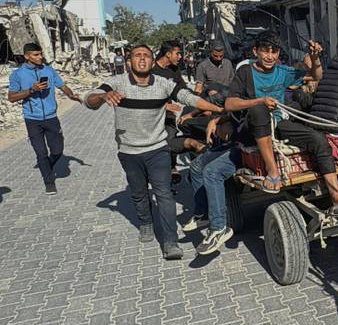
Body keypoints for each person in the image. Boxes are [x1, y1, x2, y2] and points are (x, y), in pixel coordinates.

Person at [83, 44, 223, 260]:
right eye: (137, 55)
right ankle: (146, 222)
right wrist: (102, 97)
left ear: (152, 60)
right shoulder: (116, 83)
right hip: (128, 151)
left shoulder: (163, 84)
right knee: (139, 193)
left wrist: (220, 110)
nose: (142, 59)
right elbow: (89, 101)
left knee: (164, 193)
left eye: (146, 56)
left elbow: (189, 98)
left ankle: (170, 241)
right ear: (129, 61)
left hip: (157, 148)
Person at [224, 36, 338, 204]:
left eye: (274, 52)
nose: (270, 57)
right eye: (265, 51)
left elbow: (316, 75)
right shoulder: (245, 72)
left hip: (278, 123)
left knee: (318, 139)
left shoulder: (282, 71)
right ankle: (273, 172)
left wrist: (314, 57)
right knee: (259, 110)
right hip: (253, 129)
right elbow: (229, 104)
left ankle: (336, 193)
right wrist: (260, 101)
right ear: (255, 52)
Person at [7, 42, 81, 194]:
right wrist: (31, 90)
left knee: (58, 150)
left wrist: (72, 95)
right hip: (32, 119)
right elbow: (12, 97)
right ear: (27, 56)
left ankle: (45, 165)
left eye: (40, 54)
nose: (40, 57)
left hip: (51, 117)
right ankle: (49, 181)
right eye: (36, 55)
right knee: (41, 153)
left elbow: (62, 86)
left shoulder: (49, 70)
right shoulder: (18, 74)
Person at [183, 114, 239, 255]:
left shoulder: (258, 98)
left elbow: (232, 105)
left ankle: (219, 227)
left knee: (211, 172)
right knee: (196, 166)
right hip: (234, 141)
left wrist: (216, 120)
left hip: (243, 145)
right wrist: (215, 121)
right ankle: (203, 213)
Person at [153, 40, 205, 181]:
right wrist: (164, 106)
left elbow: (183, 90)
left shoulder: (174, 70)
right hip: (151, 114)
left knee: (170, 136)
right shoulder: (150, 70)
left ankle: (171, 167)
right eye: (178, 53)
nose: (180, 57)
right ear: (168, 54)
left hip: (168, 115)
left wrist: (201, 101)